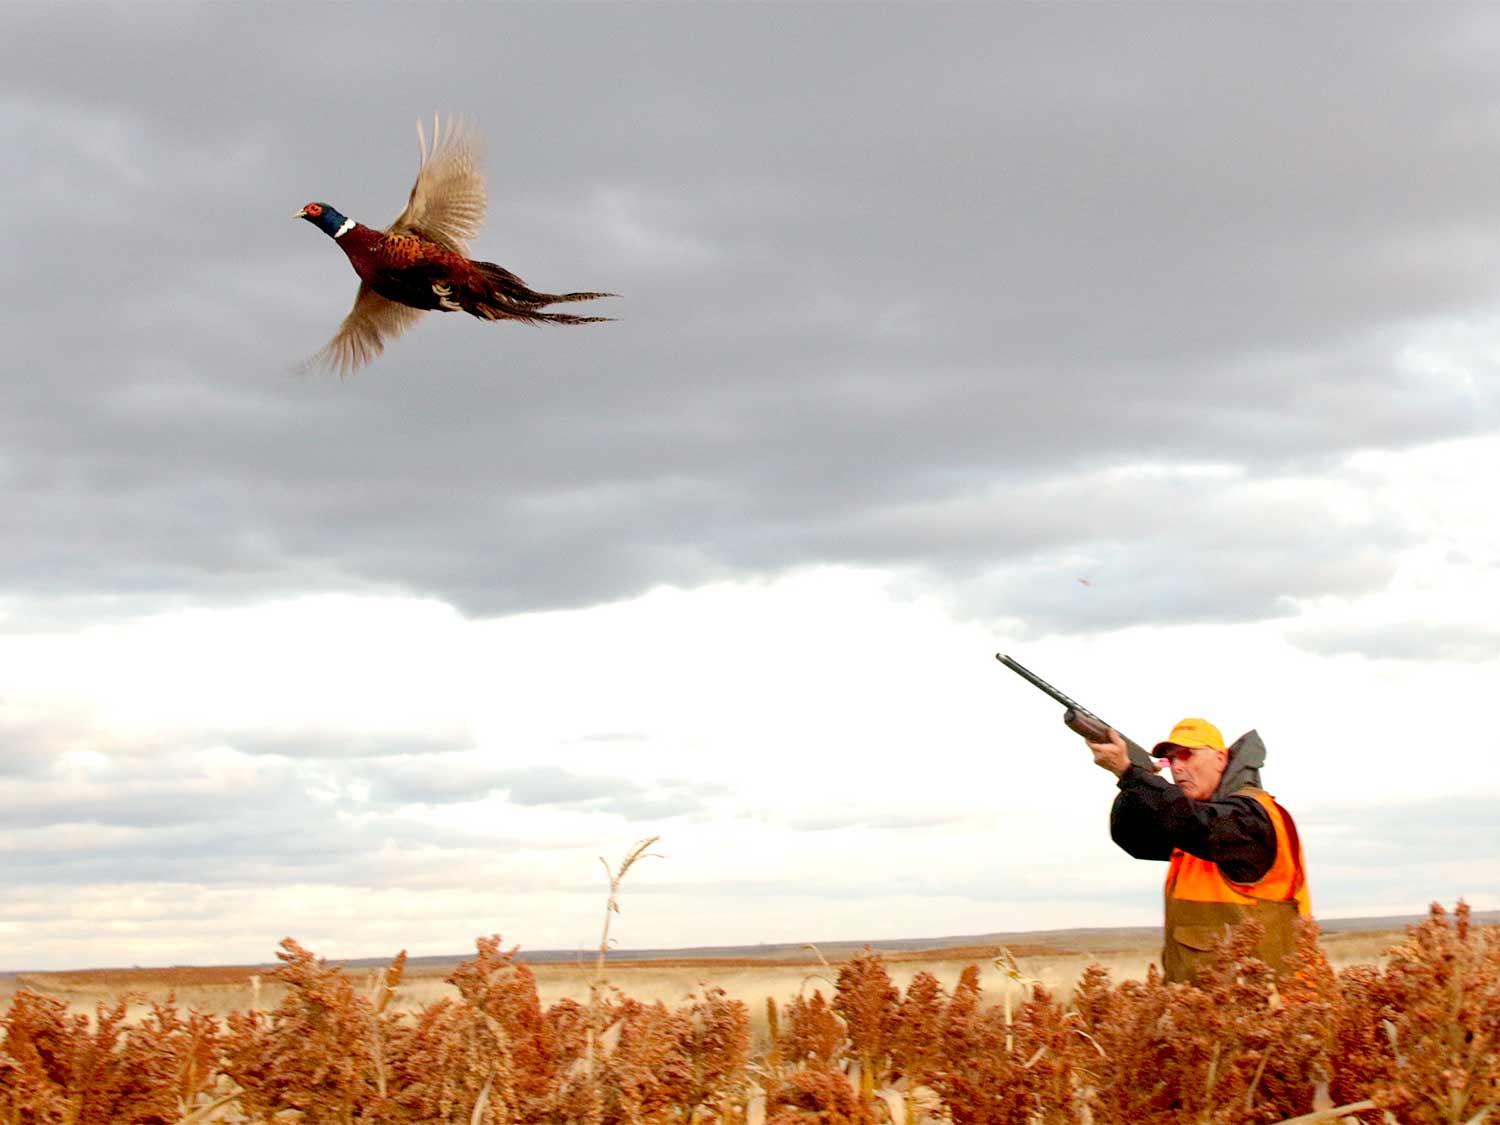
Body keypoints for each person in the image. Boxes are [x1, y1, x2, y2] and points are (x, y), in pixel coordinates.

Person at [1087, 717, 1310, 983]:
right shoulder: (1197, 829)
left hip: (1266, 1009)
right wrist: (1132, 781)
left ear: (1220, 758)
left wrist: (1130, 774)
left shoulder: (1251, 817)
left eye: (1186, 755)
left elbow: (1195, 823)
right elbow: (1132, 837)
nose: (1178, 767)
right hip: (1204, 1011)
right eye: (1171, 761)